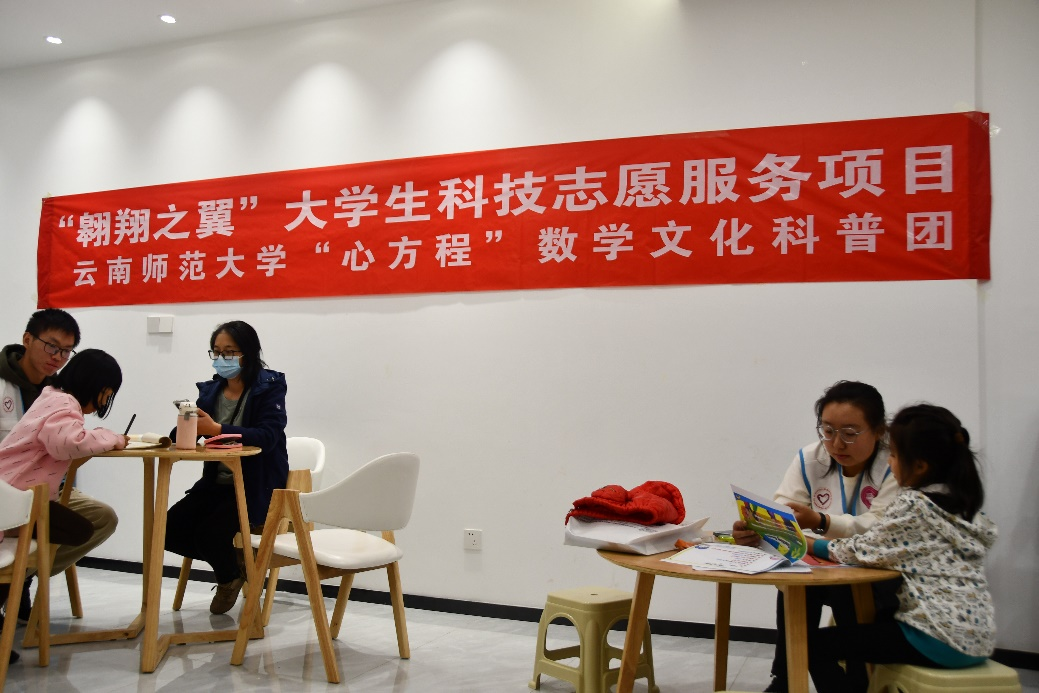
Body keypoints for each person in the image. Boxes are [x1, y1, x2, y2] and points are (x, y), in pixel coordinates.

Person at [804, 404, 996, 693]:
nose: (890, 463)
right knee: (870, 624)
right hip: (977, 639)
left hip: (935, 637)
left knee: (812, 645)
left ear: (920, 466)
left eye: (893, 455)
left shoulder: (915, 506)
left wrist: (808, 542)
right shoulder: (964, 507)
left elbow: (860, 551)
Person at [731, 380, 901, 693]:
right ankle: (784, 680)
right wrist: (758, 529)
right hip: (828, 564)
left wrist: (820, 521)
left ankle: (857, 682)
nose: (837, 444)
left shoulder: (895, 463)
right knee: (796, 584)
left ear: (879, 430)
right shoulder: (811, 458)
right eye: (828, 430)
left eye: (850, 433)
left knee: (844, 590)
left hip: (880, 573)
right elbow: (783, 511)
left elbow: (880, 528)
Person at [0, 349, 128, 663]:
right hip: (16, 498)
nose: (106, 400)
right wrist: (110, 437)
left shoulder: (52, 397)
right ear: (99, 388)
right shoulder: (63, 403)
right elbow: (68, 443)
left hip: (20, 496)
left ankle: (22, 575)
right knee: (77, 529)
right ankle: (23, 575)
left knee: (74, 528)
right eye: (108, 393)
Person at [164, 321, 288, 615]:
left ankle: (228, 574)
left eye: (230, 352)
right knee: (168, 529)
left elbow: (268, 436)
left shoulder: (269, 387)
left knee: (210, 534)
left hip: (254, 486)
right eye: (217, 352)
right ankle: (233, 569)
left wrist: (217, 429)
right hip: (215, 483)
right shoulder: (210, 392)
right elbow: (192, 433)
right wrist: (186, 427)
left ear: (249, 353)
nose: (222, 359)